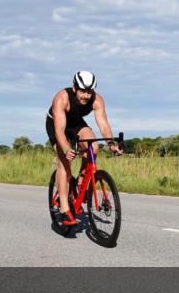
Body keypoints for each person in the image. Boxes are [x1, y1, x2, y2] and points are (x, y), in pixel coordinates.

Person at [46, 71, 122, 224]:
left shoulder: (97, 100)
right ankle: (64, 208)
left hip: (76, 124)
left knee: (93, 147)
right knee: (64, 163)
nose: (86, 96)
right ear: (74, 88)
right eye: (83, 91)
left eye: (89, 91)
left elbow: (103, 124)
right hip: (57, 125)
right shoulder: (62, 98)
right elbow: (60, 130)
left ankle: (81, 183)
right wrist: (67, 149)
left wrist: (112, 144)